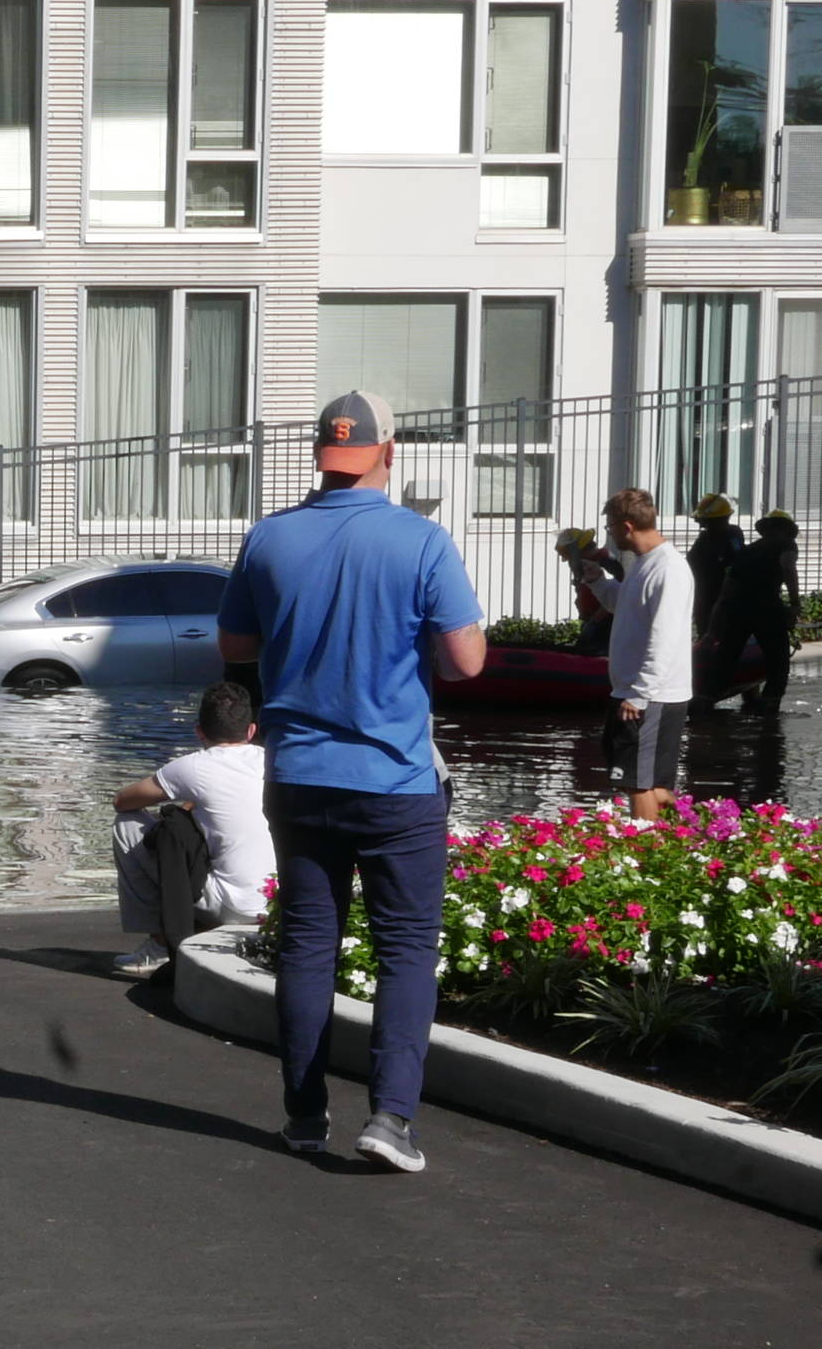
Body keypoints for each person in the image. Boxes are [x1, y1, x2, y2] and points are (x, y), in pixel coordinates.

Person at [217, 390, 488, 1174]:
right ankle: (391, 1121)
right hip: (394, 781)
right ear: (388, 452)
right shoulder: (420, 541)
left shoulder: (267, 538)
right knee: (403, 949)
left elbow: (232, 646)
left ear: (319, 456)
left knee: (308, 945)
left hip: (298, 773)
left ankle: (304, 1117)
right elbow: (464, 662)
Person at [107, 681, 271, 979]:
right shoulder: (271, 759)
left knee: (127, 824)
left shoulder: (191, 767)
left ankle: (158, 946)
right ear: (250, 730)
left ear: (199, 731)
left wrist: (186, 801)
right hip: (277, 904)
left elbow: (122, 801)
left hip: (230, 905)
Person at [582, 487, 693, 823]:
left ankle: (645, 855)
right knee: (652, 785)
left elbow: (666, 635)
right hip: (636, 691)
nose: (611, 535)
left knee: (637, 783)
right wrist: (597, 582)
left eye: (611, 528)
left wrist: (641, 693)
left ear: (626, 526)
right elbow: (626, 607)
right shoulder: (645, 564)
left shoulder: (668, 568)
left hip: (649, 695)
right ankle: (687, 839)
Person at [712, 511, 803, 711]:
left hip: (737, 608)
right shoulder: (786, 544)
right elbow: (788, 568)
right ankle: (769, 707)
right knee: (778, 661)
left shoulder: (748, 550)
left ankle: (706, 700)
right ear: (785, 530)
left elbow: (727, 587)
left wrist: (715, 621)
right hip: (766, 607)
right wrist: (795, 604)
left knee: (728, 657)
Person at [683, 492, 743, 703]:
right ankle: (704, 690)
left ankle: (728, 689)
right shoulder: (704, 541)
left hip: (728, 601)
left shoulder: (732, 536)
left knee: (728, 642)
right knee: (706, 641)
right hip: (705, 599)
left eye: (709, 522)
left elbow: (736, 566)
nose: (705, 526)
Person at [555, 526, 616, 655]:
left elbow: (613, 598)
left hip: (604, 625)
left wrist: (594, 622)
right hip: (594, 621)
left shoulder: (604, 561)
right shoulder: (588, 566)